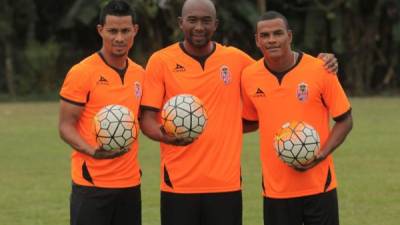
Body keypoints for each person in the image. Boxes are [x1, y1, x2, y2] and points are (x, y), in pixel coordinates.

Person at [241, 11, 353, 225]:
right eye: (265, 35)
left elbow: (345, 120)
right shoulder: (249, 76)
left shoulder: (320, 69)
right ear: (257, 40)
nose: (272, 40)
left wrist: (320, 155)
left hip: (320, 185)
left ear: (289, 36)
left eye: (278, 33)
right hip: (276, 190)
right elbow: (250, 120)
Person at [58, 1, 143, 225]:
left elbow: (146, 119)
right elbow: (65, 126)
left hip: (130, 183)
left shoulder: (140, 74)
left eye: (125, 31)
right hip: (91, 184)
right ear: (100, 30)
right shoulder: (82, 72)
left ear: (135, 30)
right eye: (112, 31)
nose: (119, 38)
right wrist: (92, 151)